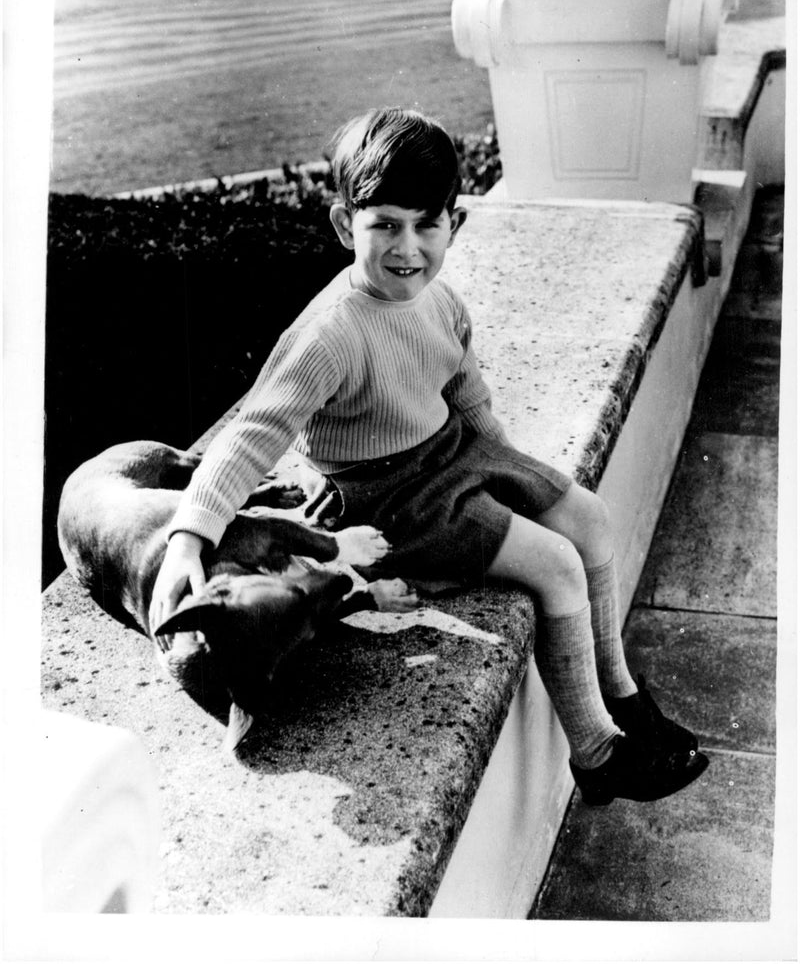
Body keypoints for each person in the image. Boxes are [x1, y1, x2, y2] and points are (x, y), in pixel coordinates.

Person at [152, 107, 708, 806]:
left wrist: (516, 478)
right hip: (387, 497)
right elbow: (250, 434)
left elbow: (466, 389)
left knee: (587, 518)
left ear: (454, 222)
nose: (406, 246)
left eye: (426, 223)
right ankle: (597, 751)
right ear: (342, 224)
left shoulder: (440, 300)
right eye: (383, 223)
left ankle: (623, 696)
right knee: (556, 564)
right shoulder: (332, 335)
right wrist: (188, 537)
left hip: (452, 453)